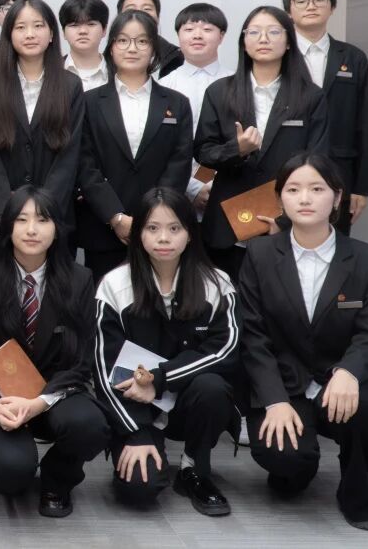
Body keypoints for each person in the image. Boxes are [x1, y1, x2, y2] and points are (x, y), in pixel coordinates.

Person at [239, 152, 368, 531]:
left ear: (337, 198)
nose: (305, 198)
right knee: (287, 461)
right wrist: (274, 400)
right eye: (293, 190)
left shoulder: (365, 259)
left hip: (336, 380)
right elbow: (253, 337)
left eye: (317, 189)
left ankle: (357, 486)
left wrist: (348, 372)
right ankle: (298, 466)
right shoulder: (260, 254)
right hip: (284, 382)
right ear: (280, 199)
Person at [0, 188, 109, 517]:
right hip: (1, 399)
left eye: (43, 220)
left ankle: (57, 479)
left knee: (91, 426)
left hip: (56, 394)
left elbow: (81, 363)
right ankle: (16, 463)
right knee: (11, 474)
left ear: (57, 228)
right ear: (7, 227)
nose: (32, 230)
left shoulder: (79, 279)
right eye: (22, 220)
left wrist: (39, 402)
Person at [94, 187, 239, 516]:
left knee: (213, 387)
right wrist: (136, 433)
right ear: (138, 234)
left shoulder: (217, 284)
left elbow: (225, 350)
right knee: (139, 490)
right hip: (136, 405)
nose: (164, 238)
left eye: (175, 228)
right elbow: (103, 370)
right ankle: (138, 448)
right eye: (152, 228)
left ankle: (194, 468)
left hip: (189, 400)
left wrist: (160, 380)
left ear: (190, 234)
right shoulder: (114, 285)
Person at [194, 5, 328, 277]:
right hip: (228, 223)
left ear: (288, 42)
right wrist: (237, 150)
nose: (263, 39)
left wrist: (285, 218)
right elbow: (203, 151)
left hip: (287, 220)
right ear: (244, 42)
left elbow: (318, 161)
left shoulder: (310, 97)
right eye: (254, 32)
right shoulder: (220, 92)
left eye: (273, 32)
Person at [76, 11, 193, 282]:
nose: (132, 48)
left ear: (154, 49)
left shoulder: (176, 103)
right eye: (123, 40)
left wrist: (152, 218)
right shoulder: (89, 102)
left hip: (161, 230)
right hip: (104, 229)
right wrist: (115, 217)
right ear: (111, 47)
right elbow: (85, 163)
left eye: (142, 41)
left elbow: (179, 163)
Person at [0, 0, 86, 250]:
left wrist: (44, 207)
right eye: (20, 27)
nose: (30, 34)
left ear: (51, 34)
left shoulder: (70, 85)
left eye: (38, 26)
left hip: (55, 214)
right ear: (9, 35)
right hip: (5, 215)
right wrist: (6, 206)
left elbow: (70, 153)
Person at [282, 0, 368, 234]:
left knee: (334, 244)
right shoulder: (277, 54)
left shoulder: (353, 58)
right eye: (301, 1)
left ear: (332, 6)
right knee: (281, 246)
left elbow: (363, 123)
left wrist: (360, 187)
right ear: (288, 10)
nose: (311, 6)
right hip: (285, 168)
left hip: (338, 170)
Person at [158, 3, 232, 216]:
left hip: (228, 187)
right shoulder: (164, 86)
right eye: (189, 29)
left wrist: (216, 184)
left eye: (207, 29)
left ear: (221, 36)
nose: (197, 35)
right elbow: (160, 146)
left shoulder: (237, 83)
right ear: (178, 35)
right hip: (175, 191)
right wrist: (192, 188)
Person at [116, 0, 184, 77]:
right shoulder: (107, 60)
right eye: (131, 9)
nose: (139, 14)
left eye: (147, 9)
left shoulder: (178, 58)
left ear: (158, 18)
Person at [59, 0, 110, 92]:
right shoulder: (50, 71)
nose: (83, 31)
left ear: (104, 30)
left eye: (91, 24)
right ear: (63, 32)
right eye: (74, 25)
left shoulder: (119, 72)